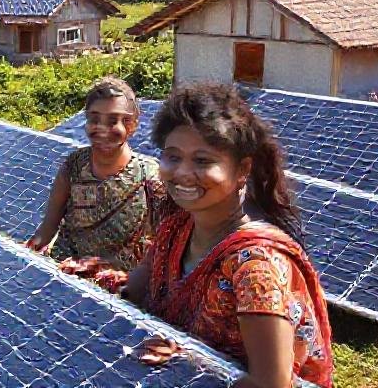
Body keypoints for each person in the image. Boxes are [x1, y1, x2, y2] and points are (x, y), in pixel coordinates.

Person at [125, 83, 333, 388]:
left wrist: (187, 362)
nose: (182, 173)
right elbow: (133, 292)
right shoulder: (175, 230)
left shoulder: (255, 267)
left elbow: (269, 384)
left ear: (242, 170)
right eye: (173, 157)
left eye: (202, 161)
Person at [25, 77, 168, 272]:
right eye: (94, 119)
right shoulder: (73, 167)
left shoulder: (151, 179)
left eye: (113, 121)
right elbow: (47, 230)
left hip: (117, 285)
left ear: (132, 126)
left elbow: (163, 248)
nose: (102, 128)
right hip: (64, 277)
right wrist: (25, 257)